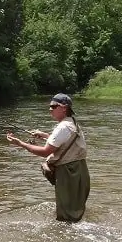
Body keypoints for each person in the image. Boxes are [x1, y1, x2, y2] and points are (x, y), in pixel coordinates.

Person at [7, 93, 90, 222]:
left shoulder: (62, 127)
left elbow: (45, 152)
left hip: (68, 171)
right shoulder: (72, 122)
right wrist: (46, 136)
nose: (50, 109)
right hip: (80, 169)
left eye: (53, 106)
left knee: (66, 215)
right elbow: (66, 139)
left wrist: (20, 143)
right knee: (75, 208)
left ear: (64, 107)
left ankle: (66, 238)